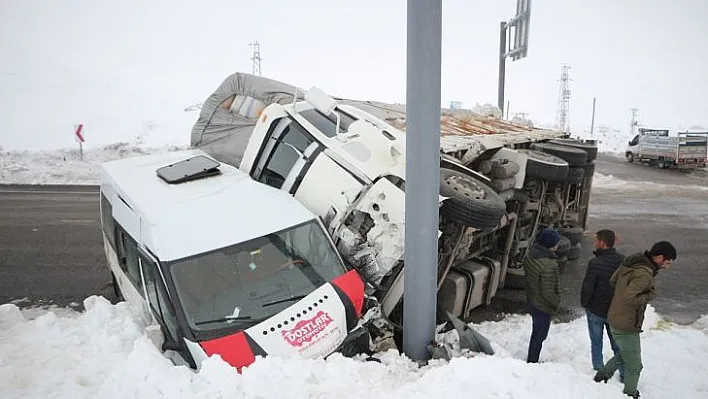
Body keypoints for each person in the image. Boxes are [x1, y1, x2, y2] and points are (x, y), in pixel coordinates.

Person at [593, 241, 677, 398]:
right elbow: (629, 298)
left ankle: (602, 375)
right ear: (659, 257)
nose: (667, 266)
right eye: (668, 262)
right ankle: (631, 393)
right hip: (626, 323)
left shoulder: (633, 261)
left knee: (626, 353)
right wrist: (650, 295)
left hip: (615, 316)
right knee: (634, 365)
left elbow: (613, 281)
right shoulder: (645, 274)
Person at [580, 229, 626, 381]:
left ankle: (599, 370)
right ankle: (624, 373)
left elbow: (588, 287)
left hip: (596, 310)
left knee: (596, 342)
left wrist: (585, 304)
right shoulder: (623, 261)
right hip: (615, 312)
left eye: (596, 240)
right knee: (617, 345)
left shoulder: (595, 263)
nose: (595, 243)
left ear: (602, 243)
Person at [524, 227, 561, 363]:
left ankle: (531, 358)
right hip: (543, 305)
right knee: (540, 334)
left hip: (533, 300)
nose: (558, 245)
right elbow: (548, 291)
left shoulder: (531, 255)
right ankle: (532, 361)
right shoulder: (549, 265)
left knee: (536, 332)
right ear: (551, 245)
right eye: (557, 242)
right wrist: (556, 303)